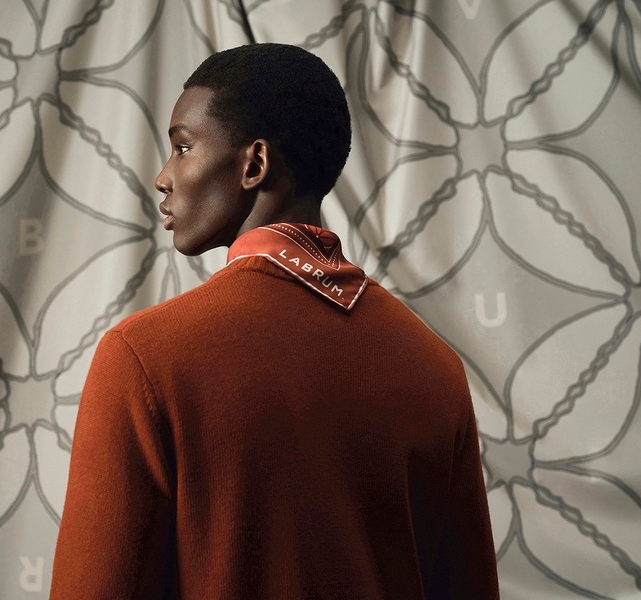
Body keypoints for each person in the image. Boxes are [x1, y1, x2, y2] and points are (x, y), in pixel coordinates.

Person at [49, 43, 499, 599]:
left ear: (254, 164)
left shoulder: (144, 358)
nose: (164, 177)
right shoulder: (435, 367)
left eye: (183, 147)